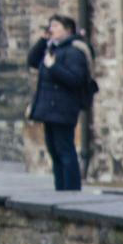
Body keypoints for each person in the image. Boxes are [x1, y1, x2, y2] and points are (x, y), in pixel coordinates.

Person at [28, 16, 95, 191]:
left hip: (63, 109)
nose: (52, 29)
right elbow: (32, 60)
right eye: (51, 26)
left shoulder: (74, 51)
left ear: (68, 30)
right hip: (49, 109)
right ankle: (60, 190)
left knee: (65, 151)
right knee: (55, 152)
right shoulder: (52, 49)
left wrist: (53, 67)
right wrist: (43, 40)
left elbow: (75, 79)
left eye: (56, 26)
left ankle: (71, 191)